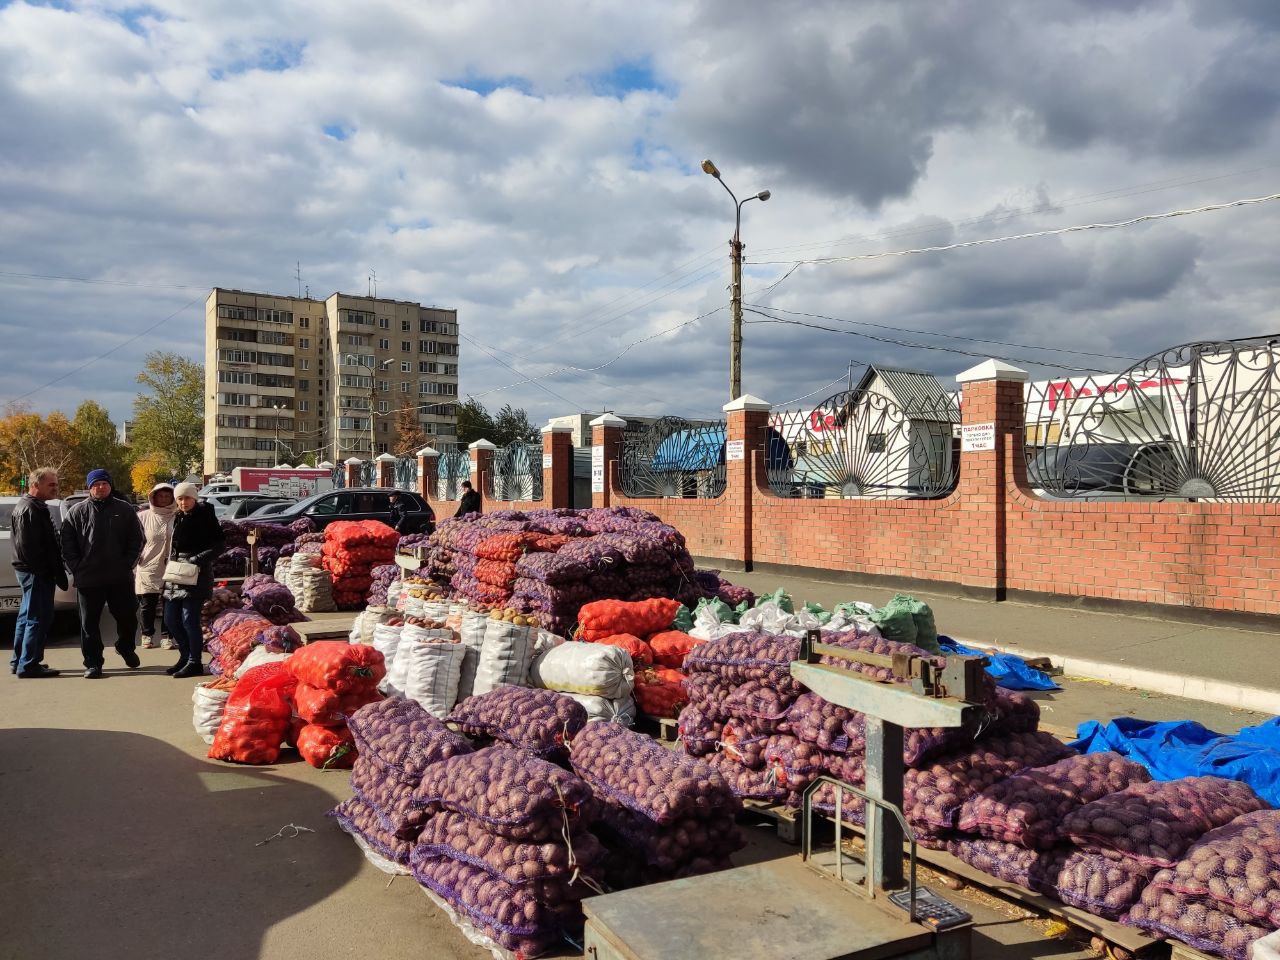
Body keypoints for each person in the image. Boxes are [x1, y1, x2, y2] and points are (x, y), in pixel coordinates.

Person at [61, 469, 144, 679]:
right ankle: (93, 663)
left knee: (127, 618)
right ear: (90, 487)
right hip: (88, 578)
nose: (100, 487)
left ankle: (125, 647)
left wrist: (127, 563)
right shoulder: (76, 512)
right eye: (96, 484)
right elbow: (67, 543)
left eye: (104, 484)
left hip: (120, 577)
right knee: (89, 623)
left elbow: (137, 539)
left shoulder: (124, 509)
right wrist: (77, 567)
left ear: (110, 485)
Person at [9, 466, 65, 678]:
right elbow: (29, 548)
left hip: (33, 572)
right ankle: (29, 664)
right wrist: (45, 572)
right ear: (35, 485)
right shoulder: (30, 508)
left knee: (27, 617)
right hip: (35, 573)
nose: (55, 488)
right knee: (37, 618)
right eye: (51, 484)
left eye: (56, 484)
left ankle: (20, 661)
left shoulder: (34, 506)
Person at [163, 482, 223, 678]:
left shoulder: (206, 516)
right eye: (179, 498)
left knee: (189, 619)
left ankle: (194, 662)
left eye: (187, 498)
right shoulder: (177, 516)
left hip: (197, 573)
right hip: (176, 573)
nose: (183, 502)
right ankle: (185, 655)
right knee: (170, 619)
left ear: (194, 498)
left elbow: (218, 546)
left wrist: (195, 559)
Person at [134, 483, 177, 650]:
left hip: (172, 566)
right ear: (154, 497)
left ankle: (167, 636)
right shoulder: (143, 516)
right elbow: (134, 540)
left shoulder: (178, 516)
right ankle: (147, 635)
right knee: (147, 604)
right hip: (148, 566)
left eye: (168, 496)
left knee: (169, 604)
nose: (164, 499)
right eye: (161, 496)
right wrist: (138, 559)